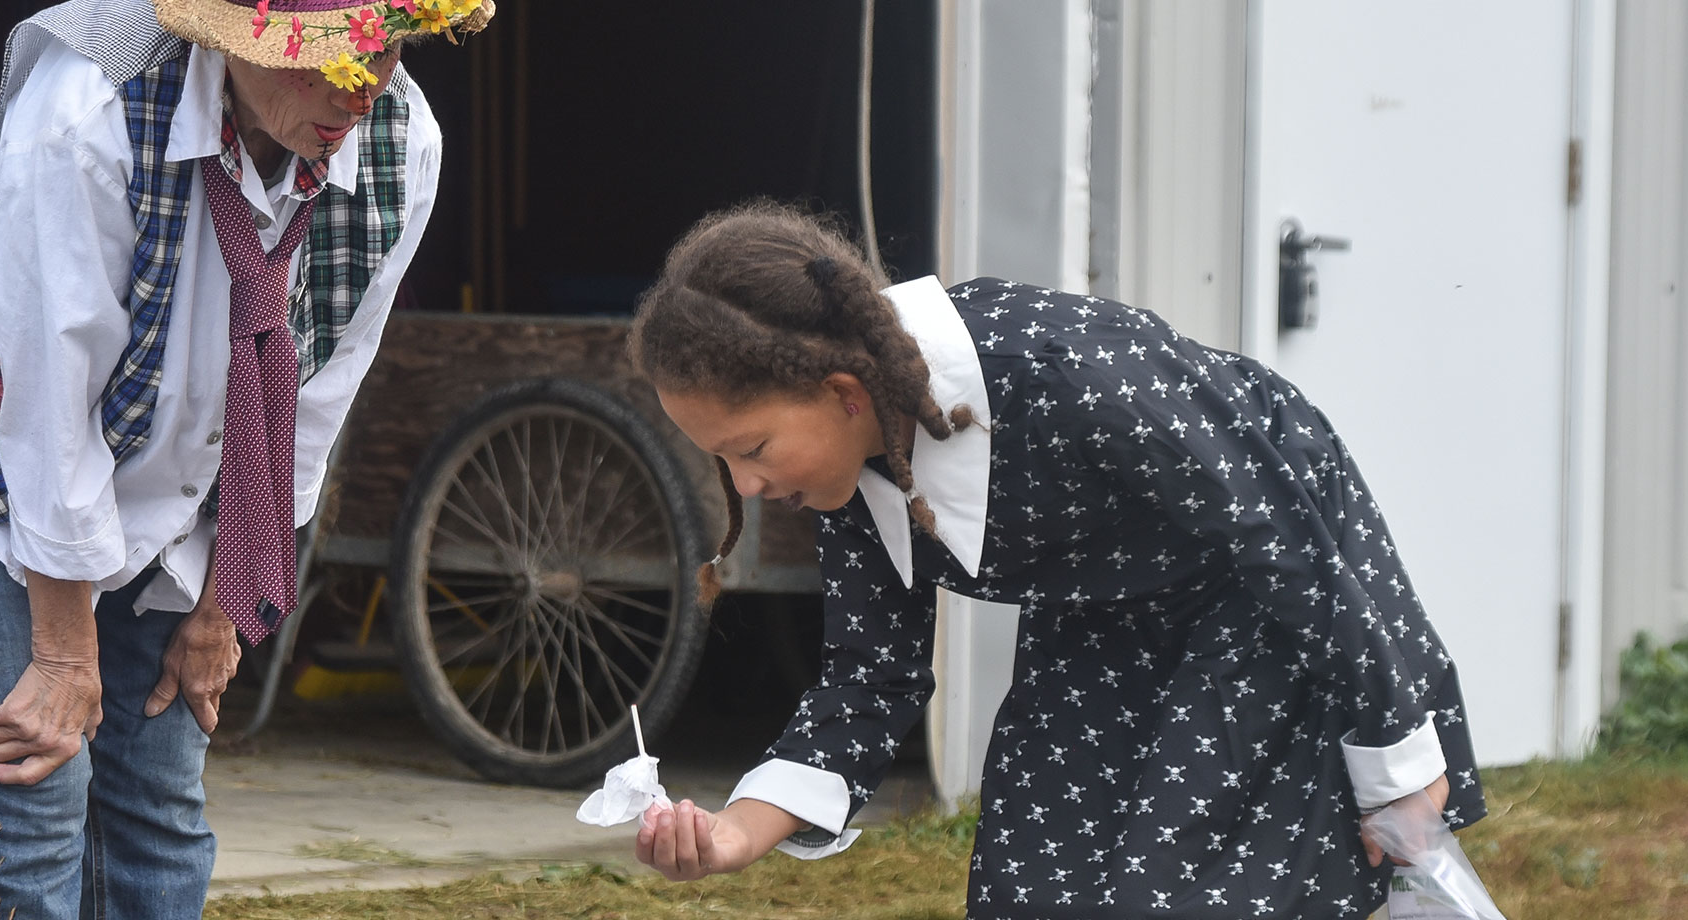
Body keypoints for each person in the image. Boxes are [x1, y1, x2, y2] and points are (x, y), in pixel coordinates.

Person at [0, 0, 490, 915]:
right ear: (235, 38)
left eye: (383, 53)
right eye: (323, 59)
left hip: (162, 460)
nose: (356, 92)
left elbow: (311, 396)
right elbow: (47, 403)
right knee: (39, 787)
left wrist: (223, 600)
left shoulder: (402, 146)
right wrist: (61, 647)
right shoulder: (88, 105)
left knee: (158, 793)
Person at [618, 202, 1484, 919]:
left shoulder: (1070, 373)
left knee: (1183, 890)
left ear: (845, 395)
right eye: (720, 462)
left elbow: (1286, 548)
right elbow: (868, 681)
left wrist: (1396, 769)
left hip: (1258, 588)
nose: (747, 484)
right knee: (1032, 886)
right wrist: (734, 832)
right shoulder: (855, 475)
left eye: (753, 447)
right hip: (1106, 607)